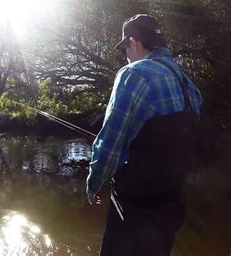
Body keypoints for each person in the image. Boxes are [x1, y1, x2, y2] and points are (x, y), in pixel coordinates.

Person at [86, 14, 202, 255]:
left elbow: (111, 142)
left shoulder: (134, 74)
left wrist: (94, 185)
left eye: (124, 49)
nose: (125, 56)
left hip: (135, 209)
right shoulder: (190, 86)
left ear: (133, 42)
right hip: (170, 208)